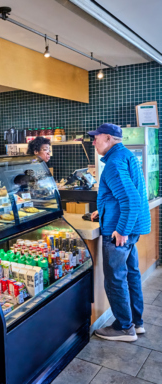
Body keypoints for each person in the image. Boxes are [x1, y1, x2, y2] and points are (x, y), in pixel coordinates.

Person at [89, 123, 150, 342]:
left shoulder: (114, 162)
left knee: (115, 279)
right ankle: (136, 322)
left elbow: (131, 200)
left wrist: (122, 228)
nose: (93, 142)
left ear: (107, 138)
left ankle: (124, 328)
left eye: (95, 138)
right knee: (131, 274)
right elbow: (127, 194)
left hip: (119, 231)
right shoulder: (126, 155)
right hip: (130, 228)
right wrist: (103, 210)